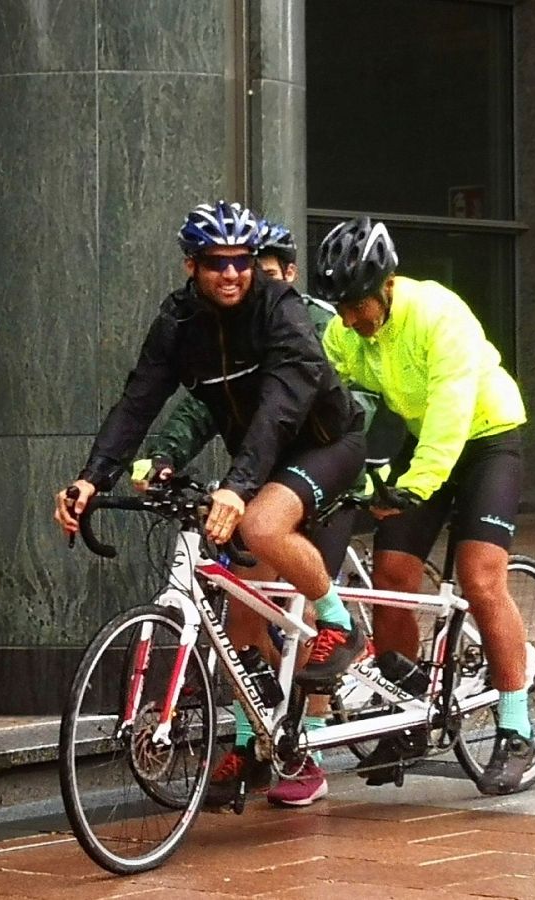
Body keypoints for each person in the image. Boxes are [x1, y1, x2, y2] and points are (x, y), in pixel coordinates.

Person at [54, 201, 369, 808]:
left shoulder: (281, 310)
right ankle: (257, 746)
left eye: (242, 262)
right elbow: (139, 400)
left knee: (258, 524)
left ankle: (339, 622)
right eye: (216, 263)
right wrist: (94, 477)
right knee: (240, 607)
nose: (232, 274)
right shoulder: (179, 322)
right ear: (191, 265)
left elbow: (280, 407)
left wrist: (237, 483)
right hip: (258, 459)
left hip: (324, 446)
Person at [315, 216, 535, 796]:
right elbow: (333, 404)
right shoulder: (346, 332)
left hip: (487, 437)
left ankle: (516, 728)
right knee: (392, 573)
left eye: (358, 303)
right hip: (427, 443)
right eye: (340, 305)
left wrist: (416, 484)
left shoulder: (438, 312)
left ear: (386, 285)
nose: (349, 318)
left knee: (480, 577)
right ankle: (406, 707)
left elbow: (451, 405)